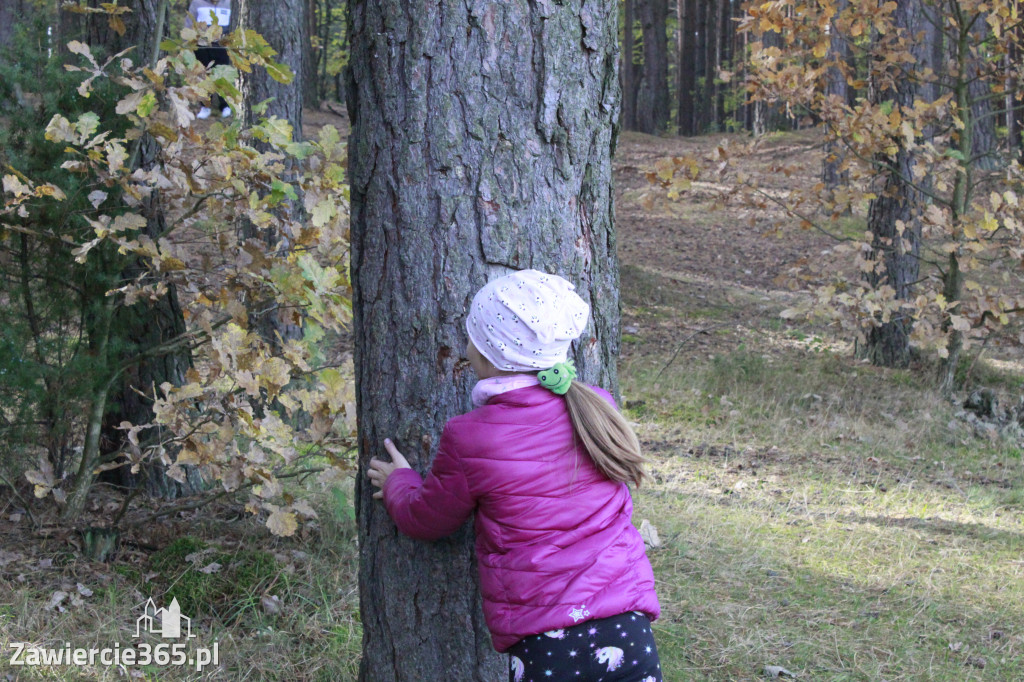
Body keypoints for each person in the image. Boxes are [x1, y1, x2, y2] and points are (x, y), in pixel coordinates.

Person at [367, 269, 662, 682]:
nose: (466, 349)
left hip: (548, 646)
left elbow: (428, 519)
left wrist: (399, 482)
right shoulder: (596, 405)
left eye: (471, 338)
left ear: (487, 356)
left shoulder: (471, 436)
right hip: (629, 629)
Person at [185, 0, 232, 119]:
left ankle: (225, 105)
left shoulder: (228, 3)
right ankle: (205, 106)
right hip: (202, 46)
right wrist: (187, 43)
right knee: (203, 75)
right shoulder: (197, 3)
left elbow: (234, 23)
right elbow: (189, 22)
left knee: (222, 76)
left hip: (223, 46)